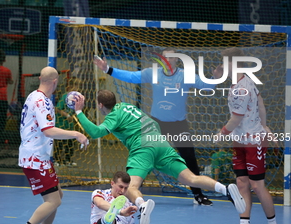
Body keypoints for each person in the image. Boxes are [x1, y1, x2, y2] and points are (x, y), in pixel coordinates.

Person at [74, 89, 246, 224]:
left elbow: (95, 132)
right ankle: (226, 189)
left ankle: (142, 206)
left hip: (143, 146)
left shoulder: (113, 115)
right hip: (160, 141)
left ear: (100, 104)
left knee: (131, 187)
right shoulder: (126, 106)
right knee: (191, 178)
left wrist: (79, 112)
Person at [93, 48, 221, 206]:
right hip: (155, 125)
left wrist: (215, 78)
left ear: (177, 60)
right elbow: (132, 77)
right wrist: (107, 69)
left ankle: (198, 195)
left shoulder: (185, 75)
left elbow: (206, 86)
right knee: (144, 158)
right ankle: (134, 196)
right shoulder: (152, 73)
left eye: (171, 58)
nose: (168, 61)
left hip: (178, 125)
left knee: (189, 159)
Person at [18, 66, 89, 224]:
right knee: (53, 201)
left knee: (58, 196)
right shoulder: (42, 101)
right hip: (34, 159)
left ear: (40, 79)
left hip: (38, 157)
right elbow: (48, 131)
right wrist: (76, 134)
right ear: (55, 82)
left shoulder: (33, 96)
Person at [215, 47, 277, 224]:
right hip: (239, 141)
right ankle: (244, 221)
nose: (221, 65)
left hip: (253, 141)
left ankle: (272, 222)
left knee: (257, 185)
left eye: (224, 62)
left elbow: (236, 118)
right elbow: (261, 103)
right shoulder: (239, 82)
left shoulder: (242, 87)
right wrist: (265, 124)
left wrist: (222, 133)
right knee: (241, 182)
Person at [54, 78, 81, 166]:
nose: (78, 88)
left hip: (69, 125)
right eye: (76, 86)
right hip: (61, 124)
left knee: (69, 144)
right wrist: (67, 115)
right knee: (60, 143)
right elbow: (57, 109)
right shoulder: (65, 96)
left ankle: (68, 160)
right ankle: (57, 160)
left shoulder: (76, 98)